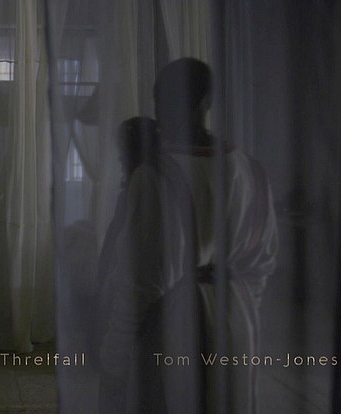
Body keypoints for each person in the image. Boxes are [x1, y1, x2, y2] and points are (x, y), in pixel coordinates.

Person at [155, 57, 279, 413]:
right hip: (238, 312)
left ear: (203, 103)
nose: (161, 114)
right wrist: (241, 301)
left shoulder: (159, 173)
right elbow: (264, 258)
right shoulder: (249, 168)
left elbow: (147, 276)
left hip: (180, 316)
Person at [96, 116, 204, 413]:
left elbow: (141, 279)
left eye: (123, 149)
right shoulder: (157, 177)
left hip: (148, 324)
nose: (119, 157)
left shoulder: (149, 180)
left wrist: (114, 353)